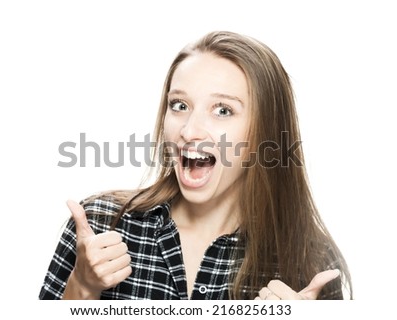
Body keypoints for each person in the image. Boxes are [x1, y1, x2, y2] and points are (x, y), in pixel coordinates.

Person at [39, 31, 353, 300]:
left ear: (263, 132)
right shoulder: (100, 225)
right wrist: (81, 288)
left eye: (223, 110)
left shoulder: (309, 263)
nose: (189, 130)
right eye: (180, 105)